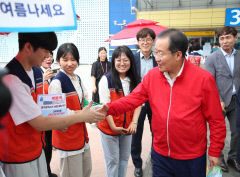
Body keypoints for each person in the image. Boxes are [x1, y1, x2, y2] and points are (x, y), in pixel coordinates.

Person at [100, 29, 226, 177]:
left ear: (178, 55)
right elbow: (131, 100)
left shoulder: (203, 79)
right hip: (160, 156)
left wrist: (215, 151)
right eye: (156, 53)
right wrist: (104, 109)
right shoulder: (152, 77)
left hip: (191, 157)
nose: (156, 58)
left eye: (161, 53)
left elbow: (216, 120)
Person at [0, 32, 105, 177]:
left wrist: (64, 119)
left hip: (37, 148)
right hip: (18, 157)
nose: (48, 57)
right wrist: (81, 115)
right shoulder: (12, 78)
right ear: (29, 47)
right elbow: (39, 122)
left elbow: (46, 108)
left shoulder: (36, 71)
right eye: (46, 51)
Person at [48, 43, 92, 177]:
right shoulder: (56, 83)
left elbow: (84, 98)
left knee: (86, 171)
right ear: (58, 61)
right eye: (65, 59)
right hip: (67, 137)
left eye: (73, 60)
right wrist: (83, 115)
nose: (69, 63)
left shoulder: (77, 78)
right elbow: (56, 113)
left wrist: (90, 108)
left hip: (81, 135)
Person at [98, 46, 141, 177]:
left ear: (131, 61)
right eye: (118, 60)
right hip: (109, 128)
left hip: (127, 127)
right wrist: (113, 126)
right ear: (114, 61)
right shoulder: (106, 80)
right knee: (113, 161)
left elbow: (138, 103)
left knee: (123, 160)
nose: (122, 63)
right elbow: (105, 106)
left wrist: (134, 122)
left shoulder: (135, 80)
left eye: (126, 60)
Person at [205, 26, 240, 173]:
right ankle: (218, 157)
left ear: (235, 38)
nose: (224, 41)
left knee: (237, 131)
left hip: (236, 99)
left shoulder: (239, 55)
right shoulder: (212, 58)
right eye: (221, 38)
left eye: (228, 37)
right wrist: (218, 99)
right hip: (219, 101)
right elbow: (209, 81)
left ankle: (233, 157)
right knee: (217, 131)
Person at [131, 28, 157, 177]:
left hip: (155, 101)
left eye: (148, 39)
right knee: (136, 133)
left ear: (153, 41)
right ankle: (137, 164)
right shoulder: (132, 59)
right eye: (142, 40)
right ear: (138, 42)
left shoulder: (159, 58)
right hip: (138, 101)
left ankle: (155, 158)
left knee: (157, 131)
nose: (145, 42)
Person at [40, 51, 58, 177]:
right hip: (41, 117)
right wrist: (42, 80)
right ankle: (44, 172)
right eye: (45, 57)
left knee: (49, 144)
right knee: (44, 145)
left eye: (50, 56)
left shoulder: (53, 72)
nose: (49, 59)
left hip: (52, 114)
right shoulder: (37, 73)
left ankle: (47, 171)